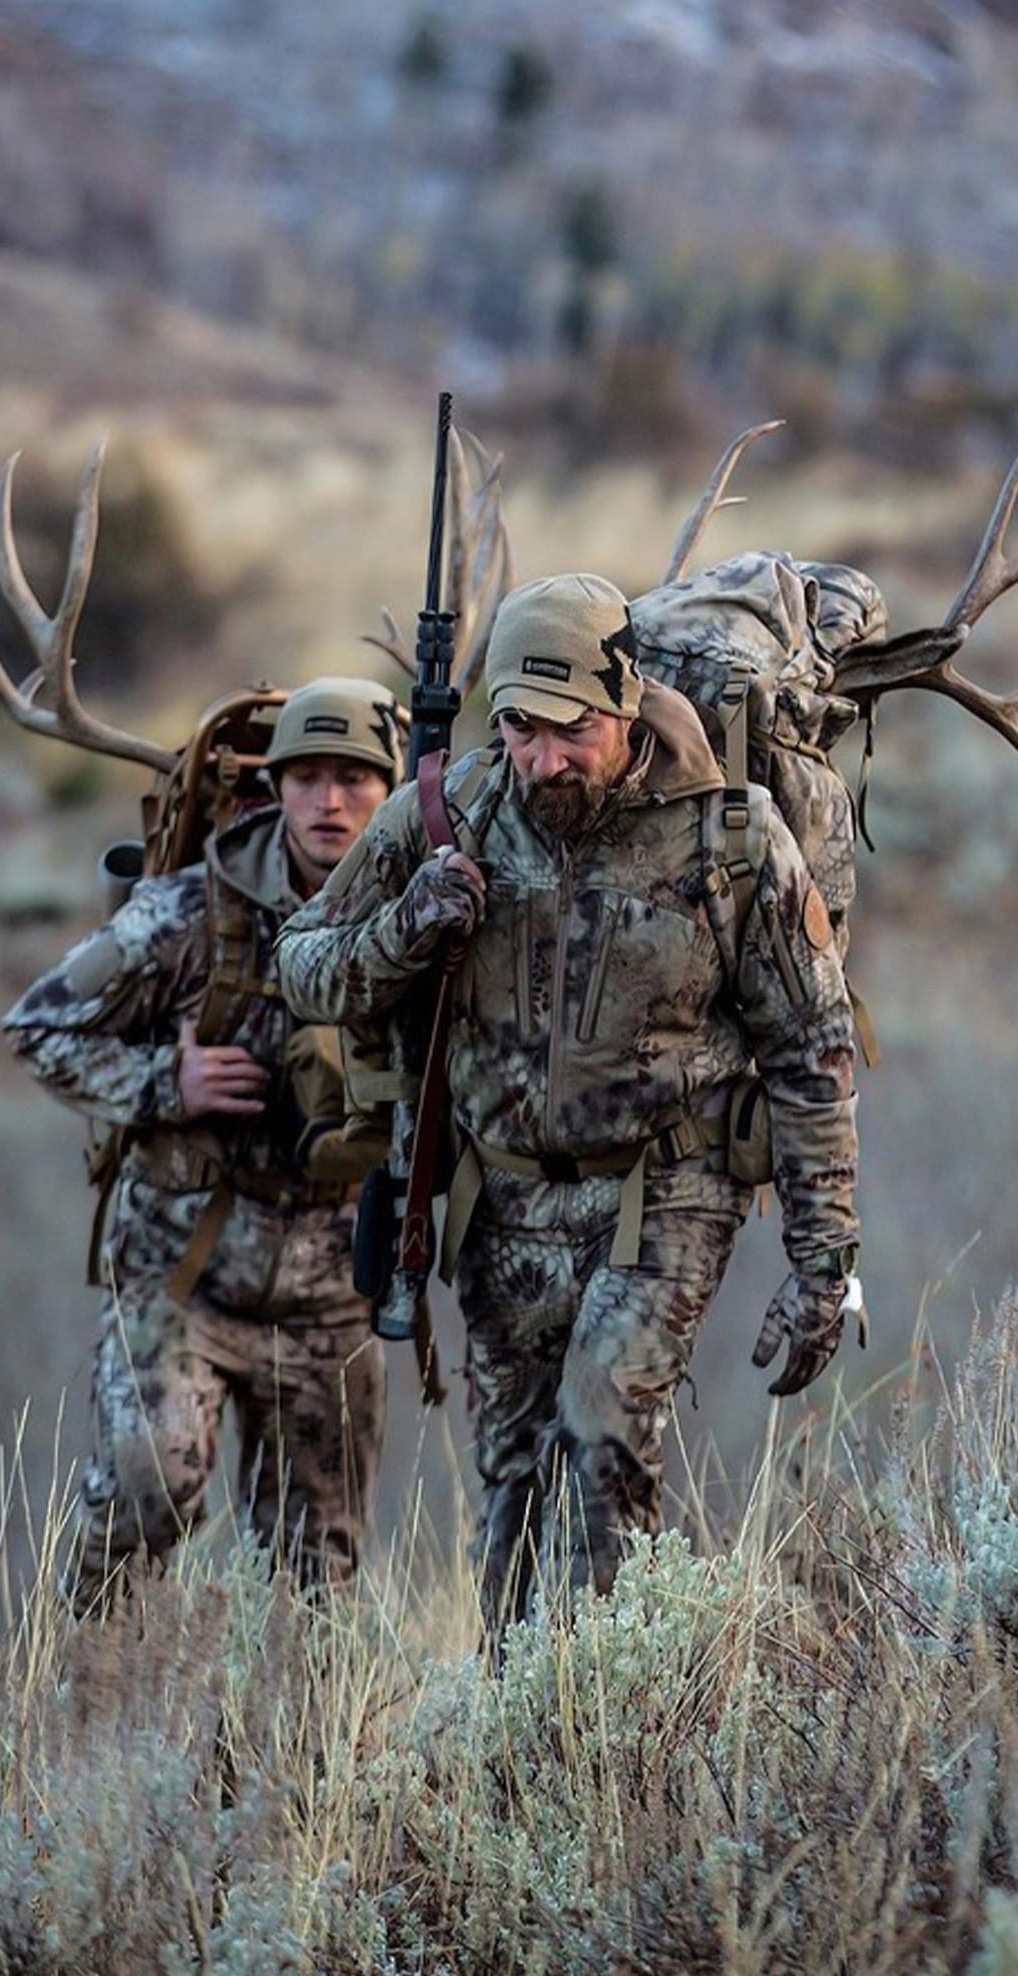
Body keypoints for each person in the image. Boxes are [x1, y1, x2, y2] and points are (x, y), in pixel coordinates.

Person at [276, 573, 862, 1639]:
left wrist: (825, 1263)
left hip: (664, 1191)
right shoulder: (446, 815)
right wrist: (405, 929)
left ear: (624, 700)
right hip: (498, 1207)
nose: (545, 760)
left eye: (572, 730)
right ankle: (515, 1712)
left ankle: (603, 1707)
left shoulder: (728, 835)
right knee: (512, 1487)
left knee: (601, 1447)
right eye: (520, 730)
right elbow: (302, 967)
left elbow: (810, 1045)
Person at [3, 674, 407, 1604]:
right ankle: (89, 1667)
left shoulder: (419, 915)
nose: (330, 801)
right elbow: (36, 1027)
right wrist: (166, 1084)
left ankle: (287, 1709)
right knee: (151, 1487)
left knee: (319, 1568)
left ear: (390, 789)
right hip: (183, 1271)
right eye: (306, 777)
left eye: (354, 777)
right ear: (276, 787)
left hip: (336, 1288)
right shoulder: (187, 912)